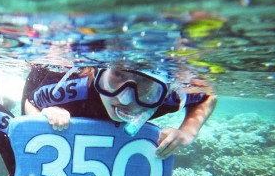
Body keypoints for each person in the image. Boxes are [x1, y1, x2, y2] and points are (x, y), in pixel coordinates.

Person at [22, 63, 216, 159]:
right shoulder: (71, 90)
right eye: (118, 75)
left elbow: (207, 97)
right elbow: (30, 101)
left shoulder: (165, 97)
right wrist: (43, 115)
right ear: (98, 73)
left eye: (144, 83)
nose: (125, 99)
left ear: (161, 87)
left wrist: (187, 131)